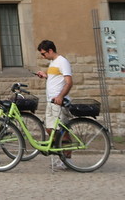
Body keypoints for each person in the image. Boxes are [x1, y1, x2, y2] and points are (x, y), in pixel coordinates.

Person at [36, 39, 73, 170]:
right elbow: (56, 78)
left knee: (62, 131)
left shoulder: (62, 61)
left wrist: (61, 97)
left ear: (50, 50)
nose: (43, 56)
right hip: (50, 101)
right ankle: (60, 156)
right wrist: (46, 76)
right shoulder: (53, 63)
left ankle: (66, 159)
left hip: (59, 102)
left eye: (44, 54)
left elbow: (69, 82)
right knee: (50, 128)